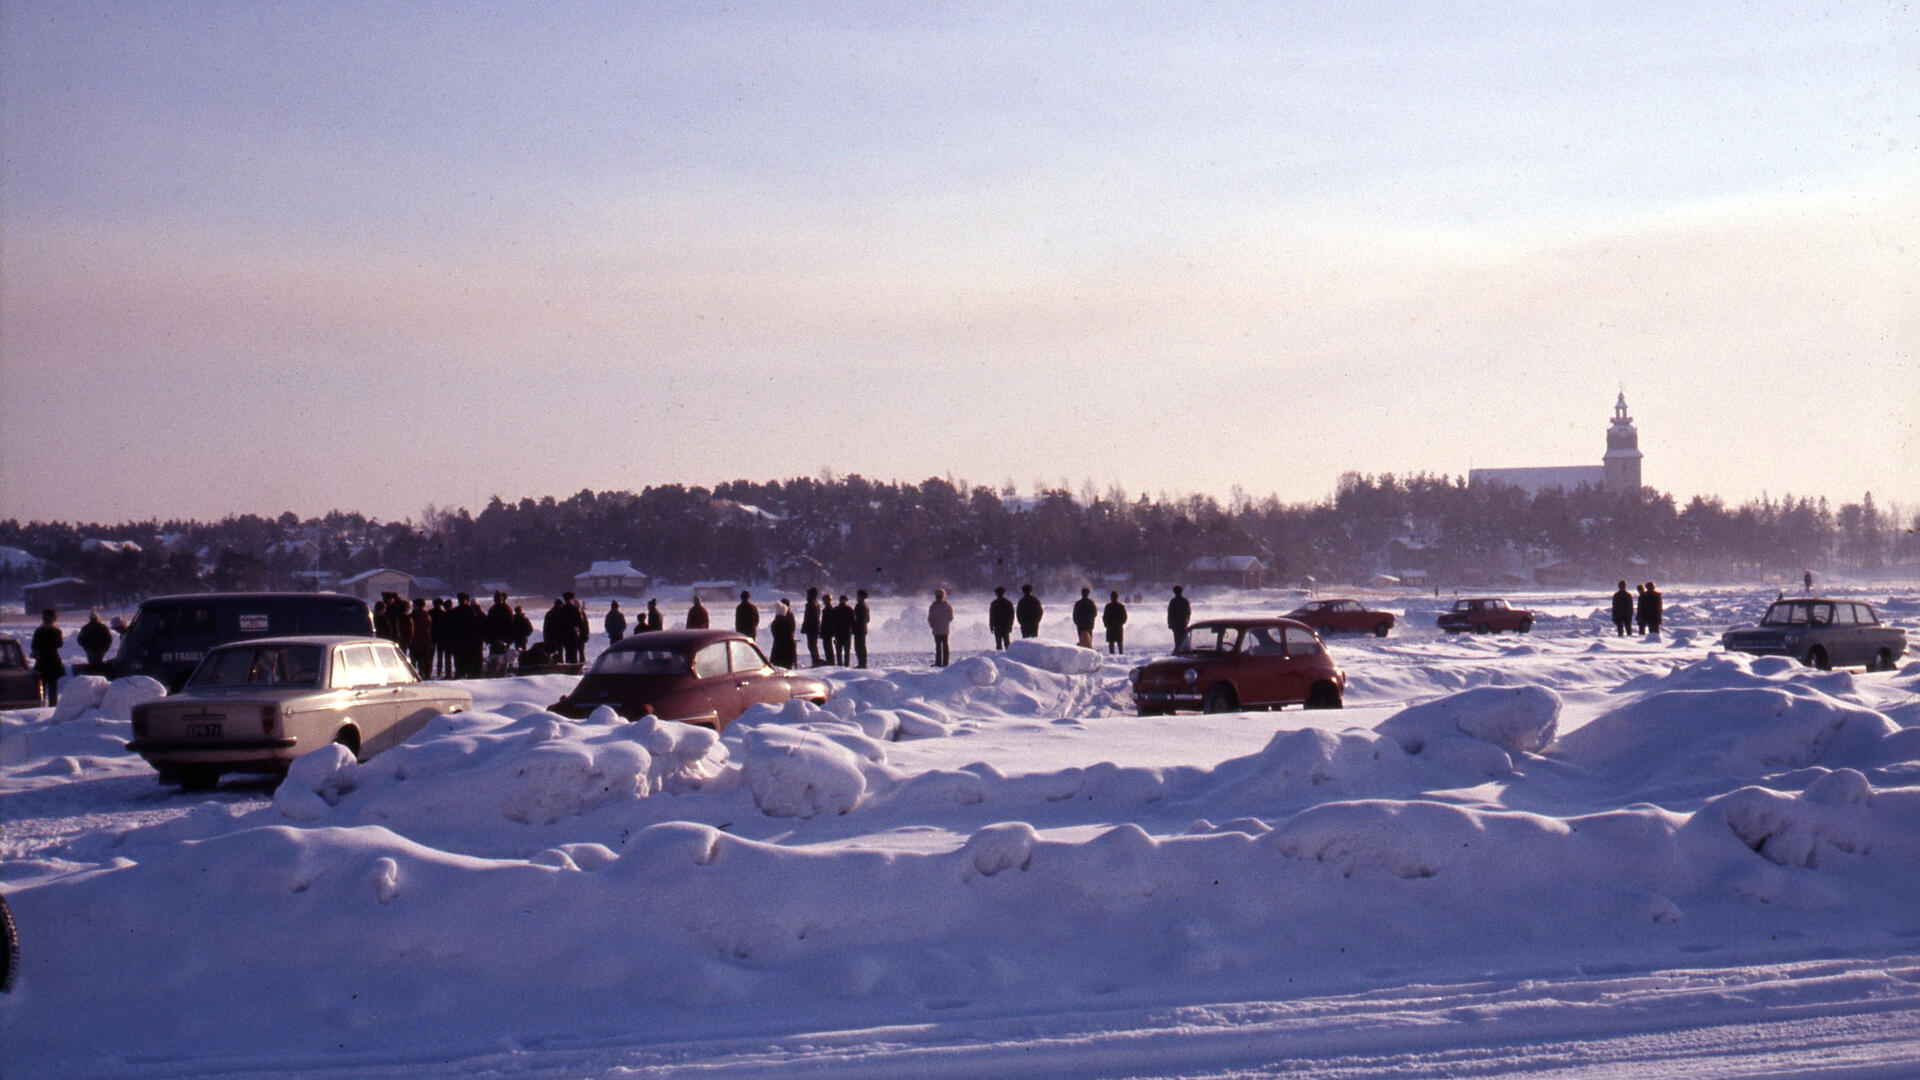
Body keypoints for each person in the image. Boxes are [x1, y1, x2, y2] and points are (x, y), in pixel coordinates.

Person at [30, 608, 64, 707]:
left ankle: (41, 705)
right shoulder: (57, 631)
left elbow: (33, 646)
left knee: (42, 686)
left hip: (42, 661)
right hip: (54, 661)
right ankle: (53, 705)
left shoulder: (39, 631)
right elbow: (60, 644)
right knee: (53, 687)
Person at [768, 600, 799, 669]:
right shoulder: (787, 620)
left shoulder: (774, 622)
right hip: (786, 651)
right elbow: (790, 634)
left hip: (777, 650)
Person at [410, 597, 435, 677]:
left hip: (416, 640)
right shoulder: (427, 615)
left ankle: (415, 674)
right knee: (425, 659)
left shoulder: (414, 615)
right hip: (426, 640)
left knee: (415, 658)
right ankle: (426, 674)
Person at [802, 587, 824, 666]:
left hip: (812, 628)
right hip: (814, 628)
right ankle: (815, 660)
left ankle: (815, 661)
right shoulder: (815, 603)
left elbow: (811, 618)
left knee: (812, 645)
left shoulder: (811, 604)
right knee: (812, 645)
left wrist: (807, 627)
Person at [830, 594, 855, 665]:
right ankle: (845, 664)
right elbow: (854, 621)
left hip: (838, 633)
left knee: (839, 650)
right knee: (845, 650)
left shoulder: (835, 609)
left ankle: (840, 664)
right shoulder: (849, 609)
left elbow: (831, 621)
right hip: (845, 633)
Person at [1167, 585, 1191, 650]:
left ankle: (1178, 651)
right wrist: (1187, 621)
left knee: (1177, 640)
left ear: (1174, 592)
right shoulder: (1185, 601)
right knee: (1184, 638)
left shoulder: (1173, 601)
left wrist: (1170, 624)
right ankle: (1184, 650)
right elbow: (1188, 613)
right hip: (1183, 623)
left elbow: (1170, 613)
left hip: (1176, 624)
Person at [853, 589, 872, 668]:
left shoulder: (859, 605)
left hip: (858, 629)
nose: (856, 597)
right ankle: (863, 663)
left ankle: (861, 664)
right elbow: (868, 619)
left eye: (857, 595)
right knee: (862, 646)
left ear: (860, 596)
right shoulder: (866, 606)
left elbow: (855, 618)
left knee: (858, 647)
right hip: (863, 628)